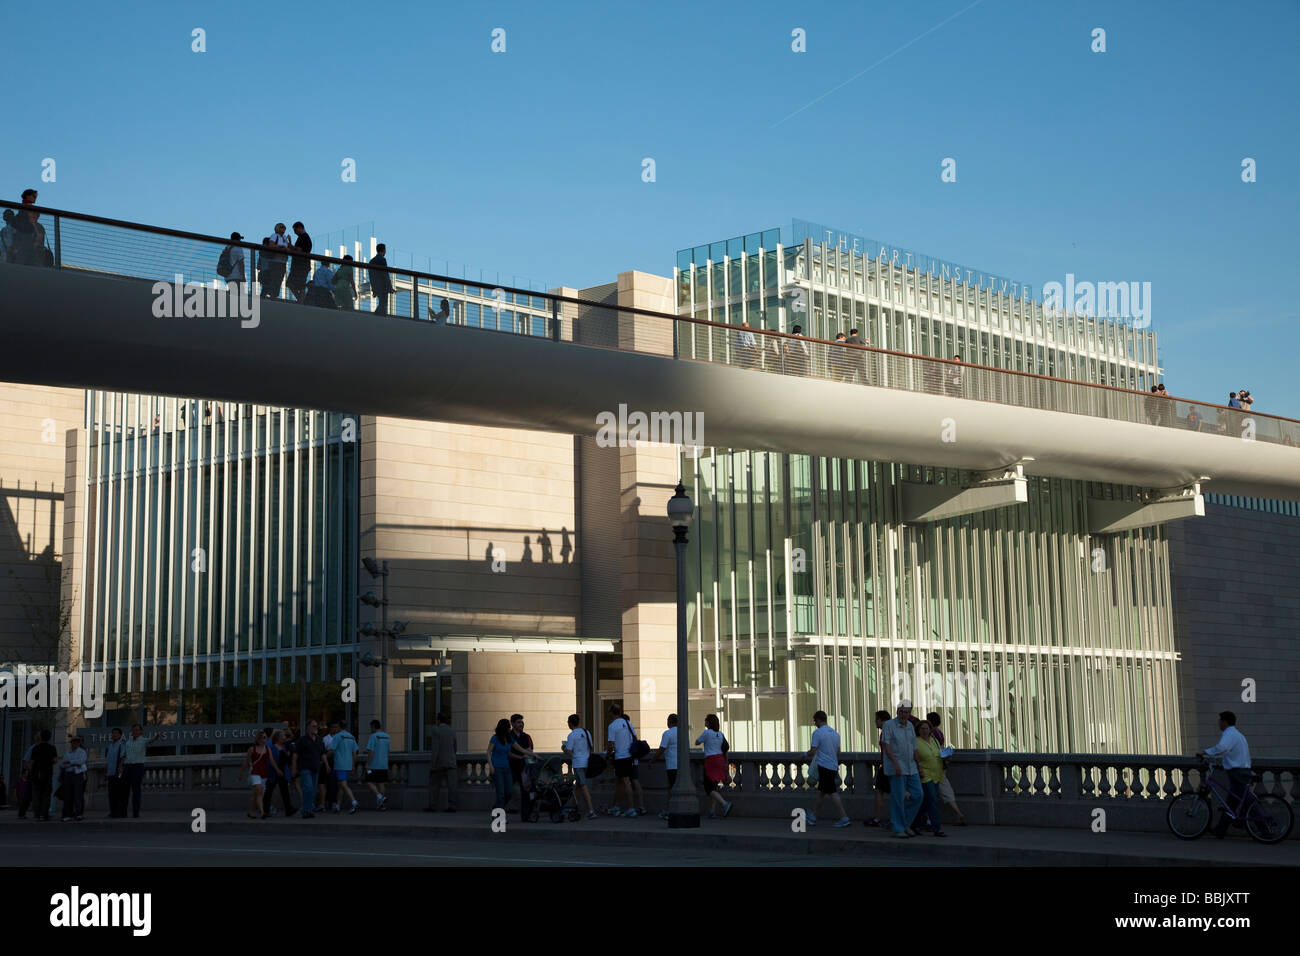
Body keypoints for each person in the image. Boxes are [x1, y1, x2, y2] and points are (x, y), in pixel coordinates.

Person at [1198, 711, 1252, 839]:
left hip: (1237, 773)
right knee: (1231, 803)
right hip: (1242, 770)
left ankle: (1267, 830)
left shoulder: (1229, 734)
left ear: (1224, 722)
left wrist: (1204, 752)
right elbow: (1232, 753)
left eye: (1220, 721)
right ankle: (1220, 829)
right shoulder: (1238, 734)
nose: (1218, 724)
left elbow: (1222, 747)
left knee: (1249, 802)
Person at [881, 700, 923, 838]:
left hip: (911, 766)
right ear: (897, 711)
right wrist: (895, 764)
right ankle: (899, 828)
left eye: (907, 712)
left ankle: (904, 823)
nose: (904, 714)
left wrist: (919, 765)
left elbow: (914, 747)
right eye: (902, 711)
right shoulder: (889, 725)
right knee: (898, 798)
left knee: (918, 795)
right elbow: (886, 747)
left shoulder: (910, 725)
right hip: (897, 767)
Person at [802, 711, 850, 827]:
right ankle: (813, 816)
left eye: (815, 721)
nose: (814, 724)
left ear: (818, 720)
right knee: (822, 792)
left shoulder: (817, 733)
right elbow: (838, 751)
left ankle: (844, 818)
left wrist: (803, 754)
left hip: (824, 766)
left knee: (832, 792)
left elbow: (812, 751)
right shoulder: (835, 734)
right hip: (833, 766)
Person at [926, 712, 966, 826]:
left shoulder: (932, 733)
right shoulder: (939, 732)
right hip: (941, 765)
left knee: (930, 792)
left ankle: (929, 819)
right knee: (945, 789)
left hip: (934, 765)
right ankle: (958, 813)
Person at [605, 704, 645, 817]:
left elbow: (611, 744)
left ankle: (631, 808)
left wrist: (607, 755)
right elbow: (635, 738)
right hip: (629, 756)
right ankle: (616, 806)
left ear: (612, 713)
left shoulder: (612, 726)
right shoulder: (628, 723)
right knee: (620, 782)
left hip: (620, 757)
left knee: (626, 782)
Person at [487, 718, 534, 812]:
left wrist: (534, 755)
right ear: (503, 728)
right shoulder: (495, 738)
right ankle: (499, 816)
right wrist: (491, 766)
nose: (509, 729)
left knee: (508, 793)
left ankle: (496, 808)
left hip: (506, 768)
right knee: (500, 794)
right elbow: (488, 752)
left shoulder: (509, 739)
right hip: (497, 769)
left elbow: (521, 749)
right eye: (508, 727)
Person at [122, 724, 164, 818]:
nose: (135, 732)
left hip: (138, 767)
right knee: (125, 791)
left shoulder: (143, 740)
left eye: (137, 730)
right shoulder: (128, 742)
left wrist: (157, 736)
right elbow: (124, 755)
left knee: (136, 791)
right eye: (133, 730)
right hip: (128, 767)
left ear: (140, 731)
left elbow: (151, 740)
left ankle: (135, 813)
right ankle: (123, 812)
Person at [695, 714, 733, 819]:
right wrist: (726, 765)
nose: (704, 723)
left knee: (708, 788)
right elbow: (726, 749)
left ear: (709, 723)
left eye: (705, 721)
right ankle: (712, 811)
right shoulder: (720, 734)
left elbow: (697, 742)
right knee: (714, 787)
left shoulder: (707, 733)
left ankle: (725, 804)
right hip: (720, 760)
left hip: (710, 761)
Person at [913, 721, 947, 836]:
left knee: (925, 802)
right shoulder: (916, 742)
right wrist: (919, 768)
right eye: (922, 728)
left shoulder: (934, 741)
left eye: (926, 728)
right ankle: (936, 828)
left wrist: (947, 756)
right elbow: (915, 757)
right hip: (925, 774)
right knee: (932, 800)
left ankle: (914, 823)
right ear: (918, 730)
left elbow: (940, 753)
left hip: (936, 774)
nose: (924, 730)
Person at [562, 713, 598, 819]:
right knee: (578, 786)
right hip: (587, 762)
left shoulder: (572, 735)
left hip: (578, 763)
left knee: (582, 785)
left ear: (570, 723)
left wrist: (563, 747)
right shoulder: (586, 732)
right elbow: (591, 748)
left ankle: (591, 810)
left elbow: (568, 751)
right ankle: (574, 806)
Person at [2, 188, 49, 266]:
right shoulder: (21, 218)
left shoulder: (38, 226)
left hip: (29, 254)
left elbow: (39, 240)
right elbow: (17, 235)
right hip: (23, 252)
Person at [863, 710, 893, 827]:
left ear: (881, 720)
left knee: (879, 792)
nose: (875, 722)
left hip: (887, 766)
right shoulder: (893, 728)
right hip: (891, 766)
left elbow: (888, 750)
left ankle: (877, 819)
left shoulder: (886, 730)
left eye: (876, 719)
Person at [648, 713, 679, 820]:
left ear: (669, 722)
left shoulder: (667, 733)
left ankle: (670, 810)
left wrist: (652, 761)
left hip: (671, 765)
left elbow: (661, 749)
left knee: (671, 789)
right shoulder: (683, 732)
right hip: (682, 765)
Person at [293, 719, 326, 819]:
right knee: (308, 788)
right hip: (305, 768)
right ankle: (307, 810)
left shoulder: (319, 740)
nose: (315, 728)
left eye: (316, 726)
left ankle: (306, 809)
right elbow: (295, 754)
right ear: (308, 727)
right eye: (313, 726)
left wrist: (326, 765)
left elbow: (322, 753)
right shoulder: (302, 740)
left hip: (315, 768)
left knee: (313, 790)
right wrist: (294, 767)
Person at [426, 712, 458, 812]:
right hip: (451, 761)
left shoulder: (436, 730)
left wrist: (433, 764)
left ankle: (432, 805)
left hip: (439, 762)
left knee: (434, 785)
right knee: (452, 786)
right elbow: (455, 747)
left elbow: (435, 749)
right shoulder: (452, 730)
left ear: (438, 720)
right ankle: (452, 806)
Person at [240, 731, 276, 819]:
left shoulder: (267, 749)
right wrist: (241, 773)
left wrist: (278, 770)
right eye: (263, 737)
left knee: (257, 794)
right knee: (259, 790)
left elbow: (272, 761)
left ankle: (251, 812)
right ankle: (263, 812)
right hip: (255, 772)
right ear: (258, 739)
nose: (265, 739)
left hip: (264, 773)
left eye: (265, 737)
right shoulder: (252, 749)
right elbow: (246, 762)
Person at [262, 730, 295, 818]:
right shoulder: (272, 747)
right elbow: (270, 761)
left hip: (283, 771)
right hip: (274, 771)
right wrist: (277, 770)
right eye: (283, 736)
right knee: (269, 791)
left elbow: (285, 760)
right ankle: (265, 810)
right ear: (278, 737)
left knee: (285, 791)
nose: (284, 737)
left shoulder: (284, 747)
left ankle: (289, 810)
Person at [330, 720, 361, 813]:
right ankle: (338, 806)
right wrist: (353, 765)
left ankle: (354, 802)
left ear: (339, 727)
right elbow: (355, 753)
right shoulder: (351, 737)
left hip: (340, 764)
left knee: (343, 785)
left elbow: (332, 750)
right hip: (348, 765)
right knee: (341, 786)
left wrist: (323, 756)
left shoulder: (337, 736)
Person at [509, 714, 535, 822]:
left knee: (526, 792)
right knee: (507, 791)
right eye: (518, 722)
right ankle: (499, 810)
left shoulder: (526, 737)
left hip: (524, 769)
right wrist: (521, 756)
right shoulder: (508, 736)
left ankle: (525, 816)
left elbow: (530, 751)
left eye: (522, 722)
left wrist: (530, 757)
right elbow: (507, 753)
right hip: (510, 767)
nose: (521, 724)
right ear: (513, 723)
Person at [58, 736, 89, 822]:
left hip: (77, 774)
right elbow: (63, 764)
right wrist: (74, 762)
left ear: (79, 743)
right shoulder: (67, 753)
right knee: (68, 795)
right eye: (73, 742)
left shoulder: (82, 752)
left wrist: (70, 762)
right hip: (68, 774)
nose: (74, 744)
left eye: (77, 742)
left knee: (77, 795)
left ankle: (78, 813)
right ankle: (68, 814)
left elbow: (81, 761)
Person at [362, 719, 391, 810]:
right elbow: (388, 750)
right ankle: (381, 805)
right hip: (384, 764)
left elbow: (371, 751)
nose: (370, 729)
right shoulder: (387, 736)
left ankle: (379, 797)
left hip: (374, 765)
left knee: (368, 781)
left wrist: (367, 763)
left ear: (373, 726)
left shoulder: (373, 736)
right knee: (381, 784)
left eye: (371, 727)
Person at [28, 730, 57, 822]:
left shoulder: (36, 748)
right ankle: (44, 815)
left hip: (36, 774)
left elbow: (31, 762)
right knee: (46, 794)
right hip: (47, 774)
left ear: (41, 737)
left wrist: (31, 771)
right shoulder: (52, 748)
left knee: (36, 794)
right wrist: (49, 762)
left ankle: (37, 814)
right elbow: (55, 760)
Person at [260, 223, 292, 298]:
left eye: (284, 227)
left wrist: (289, 242)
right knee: (274, 279)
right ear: (277, 228)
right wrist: (281, 247)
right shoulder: (274, 236)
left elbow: (289, 247)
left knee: (279, 280)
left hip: (283, 262)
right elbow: (271, 245)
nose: (283, 229)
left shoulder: (284, 237)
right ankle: (271, 295)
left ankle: (274, 295)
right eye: (281, 227)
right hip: (275, 261)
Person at [286, 221, 312, 302]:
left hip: (301, 265)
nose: (295, 233)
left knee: (296, 284)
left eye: (295, 230)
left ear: (300, 228)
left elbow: (298, 250)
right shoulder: (303, 237)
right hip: (300, 265)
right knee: (296, 284)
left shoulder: (304, 237)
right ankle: (301, 299)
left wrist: (289, 244)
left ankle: (301, 300)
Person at [104, 727, 127, 818]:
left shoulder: (121, 744)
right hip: (110, 772)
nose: (114, 735)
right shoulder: (110, 746)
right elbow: (108, 760)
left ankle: (120, 812)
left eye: (116, 733)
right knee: (111, 794)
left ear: (120, 735)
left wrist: (120, 767)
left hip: (118, 772)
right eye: (113, 733)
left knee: (119, 793)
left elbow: (123, 757)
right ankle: (113, 811)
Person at [369, 243, 394, 315]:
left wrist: (374, 288)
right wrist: (389, 287)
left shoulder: (372, 261)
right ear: (383, 250)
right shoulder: (382, 260)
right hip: (383, 286)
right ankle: (379, 317)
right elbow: (385, 274)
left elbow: (371, 276)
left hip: (376, 285)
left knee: (381, 303)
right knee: (383, 304)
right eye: (385, 249)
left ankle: (377, 316)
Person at [321, 721, 339, 811]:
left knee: (336, 784)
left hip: (339, 761)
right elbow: (324, 752)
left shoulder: (340, 737)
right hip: (329, 761)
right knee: (329, 783)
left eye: (336, 727)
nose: (335, 729)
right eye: (333, 727)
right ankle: (328, 802)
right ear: (330, 728)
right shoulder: (325, 739)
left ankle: (334, 802)